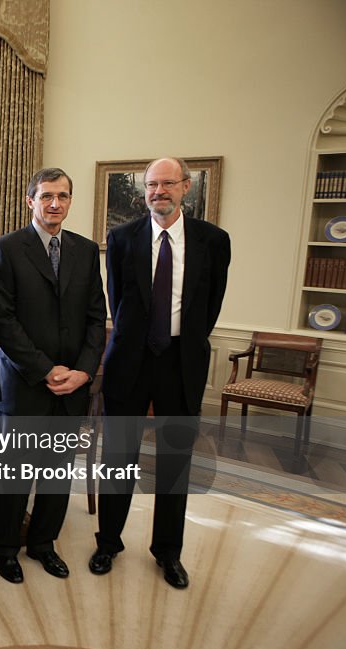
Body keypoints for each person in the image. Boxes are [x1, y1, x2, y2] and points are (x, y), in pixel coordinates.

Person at [90, 157, 231, 589]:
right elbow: (118, 300)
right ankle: (108, 543)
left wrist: (181, 342)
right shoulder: (122, 238)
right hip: (129, 361)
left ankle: (168, 552)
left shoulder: (213, 240)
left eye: (167, 183)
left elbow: (211, 305)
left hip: (180, 362)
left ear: (186, 186)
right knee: (118, 459)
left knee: (175, 462)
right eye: (151, 184)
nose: (158, 192)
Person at [0, 168, 106, 584]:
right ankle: (5, 550)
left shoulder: (85, 251)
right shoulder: (5, 249)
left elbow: (96, 318)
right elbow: (3, 321)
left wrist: (83, 371)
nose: (55, 203)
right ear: (30, 201)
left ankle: (43, 543)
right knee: (16, 475)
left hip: (72, 385)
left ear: (70, 201)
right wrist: (44, 369)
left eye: (63, 196)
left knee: (57, 473)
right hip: (24, 383)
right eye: (47, 196)